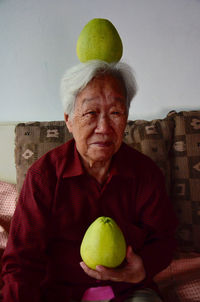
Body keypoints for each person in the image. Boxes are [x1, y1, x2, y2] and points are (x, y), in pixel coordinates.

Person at [2, 60, 177, 302]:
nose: (104, 127)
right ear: (69, 120)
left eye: (115, 113)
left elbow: (165, 239)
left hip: (127, 291)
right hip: (59, 293)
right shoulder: (43, 177)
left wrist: (142, 267)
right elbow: (21, 262)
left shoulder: (145, 174)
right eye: (90, 113)